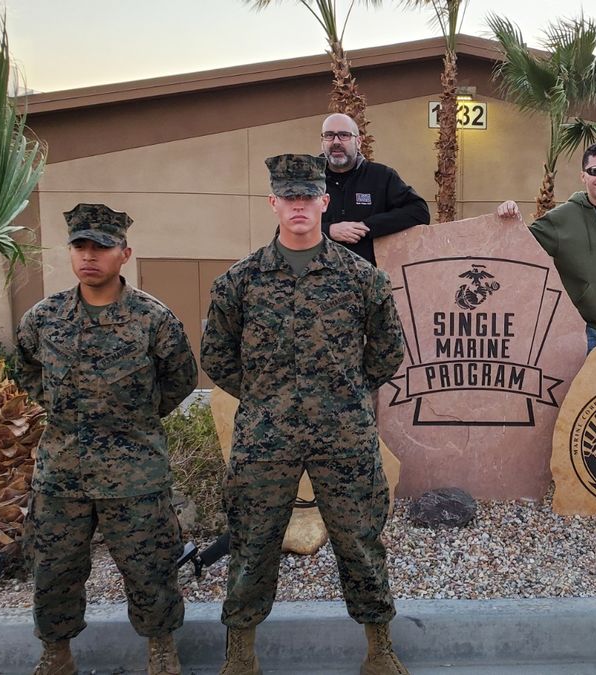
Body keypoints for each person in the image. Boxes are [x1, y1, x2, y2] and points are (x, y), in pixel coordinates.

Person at [201, 154, 408, 675]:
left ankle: (379, 651)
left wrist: (345, 396)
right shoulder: (240, 281)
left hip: (344, 435)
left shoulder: (362, 280)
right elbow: (218, 356)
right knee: (252, 543)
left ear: (324, 202)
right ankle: (241, 657)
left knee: (360, 541)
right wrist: (267, 398)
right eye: (287, 197)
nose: (298, 206)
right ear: (274, 203)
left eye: (307, 197)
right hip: (264, 437)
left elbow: (386, 352)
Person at [17, 204, 198, 675]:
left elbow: (179, 379)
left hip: (134, 473)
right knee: (54, 572)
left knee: (150, 570)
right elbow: (30, 373)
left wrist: (134, 422)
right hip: (61, 475)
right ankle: (57, 656)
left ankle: (161, 652)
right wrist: (62, 413)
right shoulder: (44, 318)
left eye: (102, 247)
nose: (89, 256)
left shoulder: (153, 319)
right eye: (81, 246)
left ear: (125, 254)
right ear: (71, 252)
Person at [495, 142, 596, 354]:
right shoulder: (562, 218)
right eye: (594, 171)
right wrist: (511, 219)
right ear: (583, 176)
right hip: (579, 332)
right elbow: (521, 247)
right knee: (579, 389)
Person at [320, 112, 431, 264]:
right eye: (329, 135)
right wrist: (329, 230)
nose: (336, 141)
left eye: (344, 135)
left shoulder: (381, 176)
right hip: (319, 282)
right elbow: (286, 229)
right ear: (322, 141)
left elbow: (419, 212)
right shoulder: (308, 179)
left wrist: (366, 226)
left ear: (358, 141)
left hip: (370, 280)